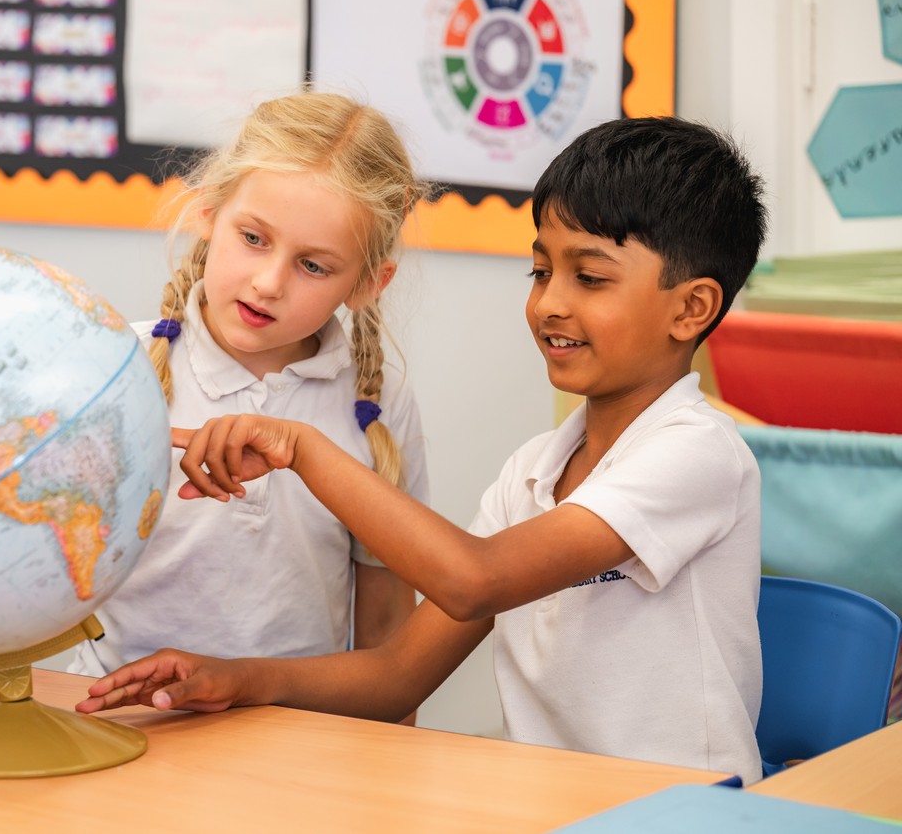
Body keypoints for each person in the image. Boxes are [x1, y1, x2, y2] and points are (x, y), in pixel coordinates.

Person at [76, 116, 770, 784]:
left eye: (588, 278)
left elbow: (474, 581)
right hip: (557, 802)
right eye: (540, 272)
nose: (550, 304)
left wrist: (302, 448)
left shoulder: (698, 452)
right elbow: (396, 676)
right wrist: (233, 678)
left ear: (691, 308)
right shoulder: (531, 474)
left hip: (687, 808)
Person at [66, 91, 430, 687]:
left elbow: (388, 621)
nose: (267, 283)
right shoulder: (117, 367)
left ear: (369, 283)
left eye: (313, 266)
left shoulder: (381, 403)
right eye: (254, 238)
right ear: (209, 211)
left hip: (294, 734)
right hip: (119, 715)